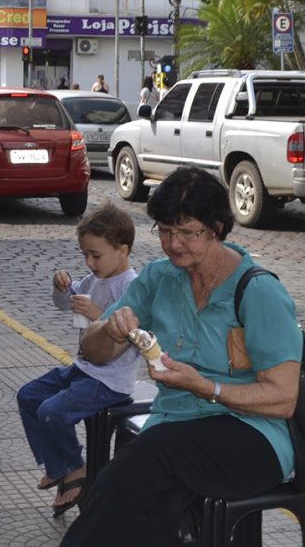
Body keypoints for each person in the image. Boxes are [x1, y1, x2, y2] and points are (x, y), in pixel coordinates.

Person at [60, 166, 303, 546]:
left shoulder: (257, 291)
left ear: (217, 228)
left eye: (187, 232)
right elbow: (94, 351)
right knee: (151, 504)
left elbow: (283, 398)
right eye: (166, 231)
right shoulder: (159, 278)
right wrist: (109, 329)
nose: (174, 244)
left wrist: (205, 387)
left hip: (252, 438)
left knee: (144, 459)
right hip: (175, 429)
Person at [17, 203, 139, 517]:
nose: (89, 262)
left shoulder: (131, 286)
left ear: (122, 250)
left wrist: (98, 316)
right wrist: (61, 287)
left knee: (51, 411)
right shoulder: (95, 279)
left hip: (110, 380)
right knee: (29, 396)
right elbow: (66, 302)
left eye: (95, 255)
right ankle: (58, 465)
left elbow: (134, 332)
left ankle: (75, 470)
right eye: (85, 254)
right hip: (82, 369)